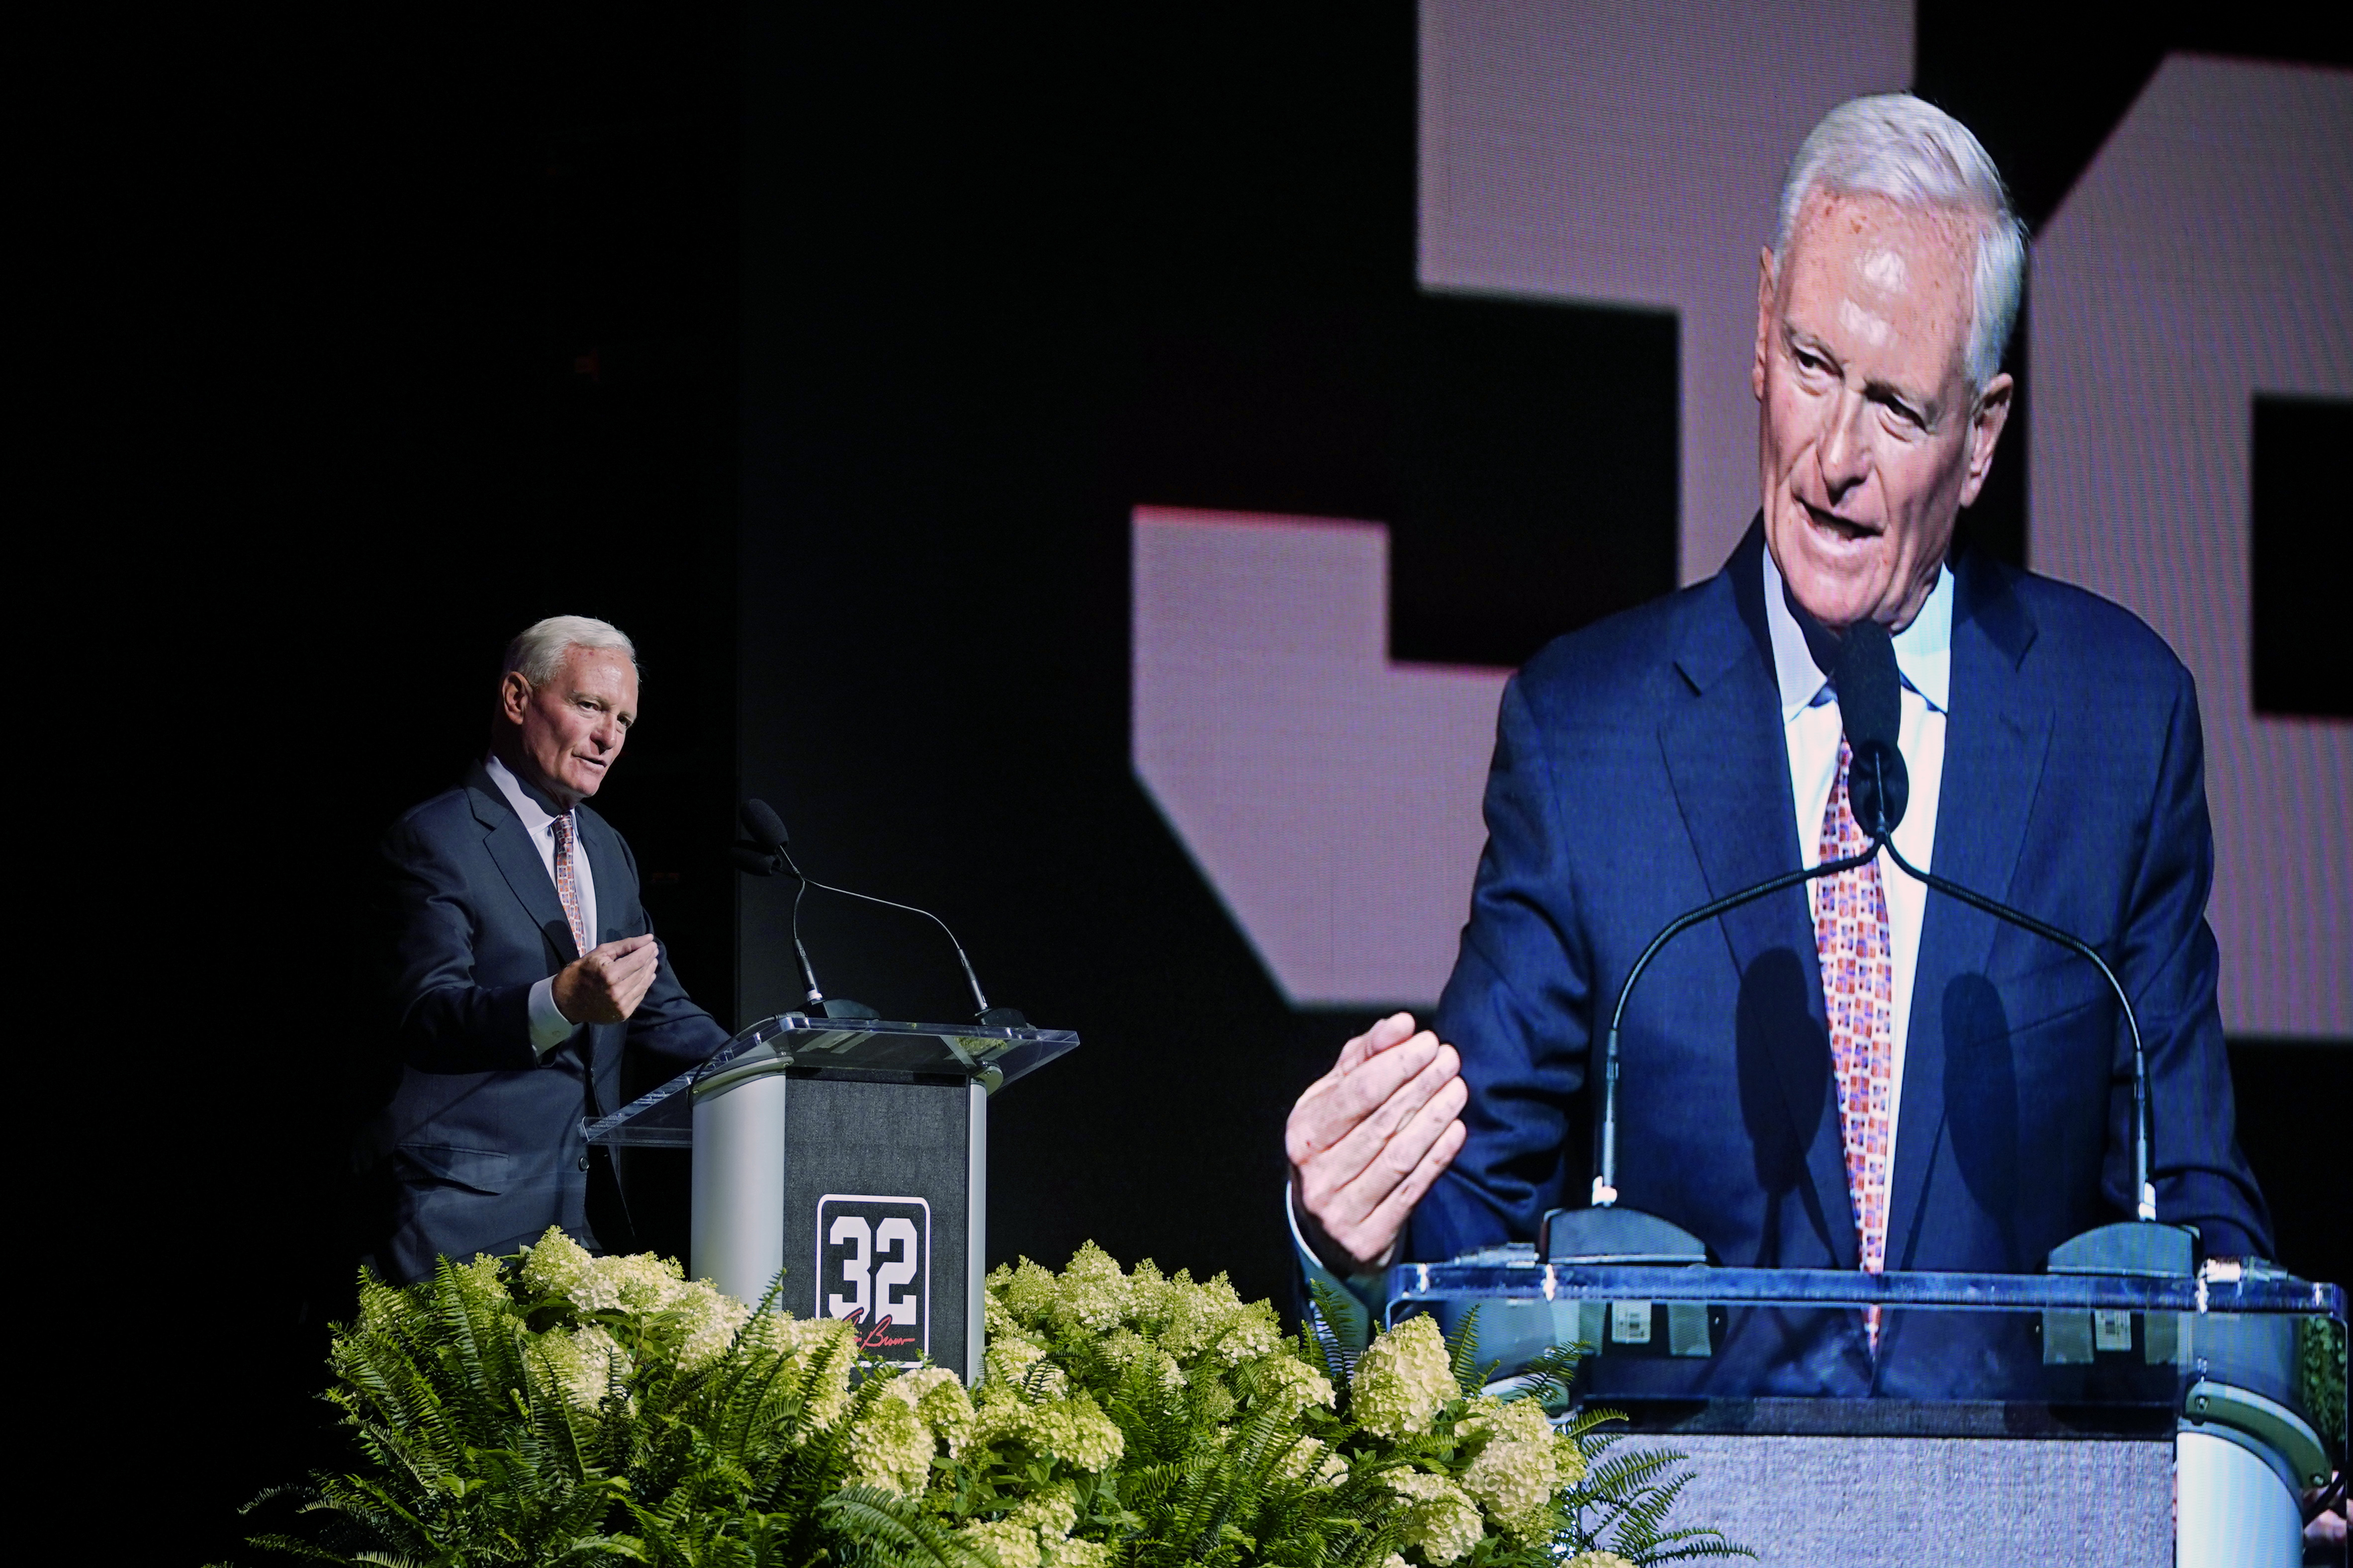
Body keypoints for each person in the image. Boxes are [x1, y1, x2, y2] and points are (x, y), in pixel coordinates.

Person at [1285, 95, 2270, 1385]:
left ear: (1978, 438)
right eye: (1810, 366)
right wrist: (1348, 1235)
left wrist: (2268, 1403)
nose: (1833, 456)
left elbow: (2185, 1201)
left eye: (1897, 409)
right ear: (1757, 330)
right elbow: (1474, 1220)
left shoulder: (2114, 724)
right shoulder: (1587, 737)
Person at [366, 615, 730, 1282]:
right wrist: (557, 1001)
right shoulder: (435, 838)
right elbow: (426, 1014)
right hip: (455, 1217)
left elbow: (660, 1006)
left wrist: (769, 1065)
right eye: (590, 706)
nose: (608, 738)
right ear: (517, 698)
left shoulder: (607, 848)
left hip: (579, 1221)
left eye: (623, 720)